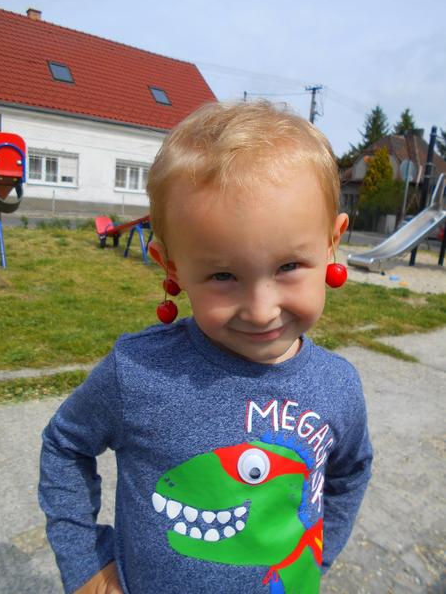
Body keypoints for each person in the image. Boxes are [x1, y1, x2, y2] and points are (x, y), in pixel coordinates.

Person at [39, 100, 373, 594]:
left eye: (288, 267)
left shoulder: (339, 385)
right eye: (222, 275)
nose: (261, 310)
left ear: (331, 244)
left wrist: (316, 555)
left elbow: (349, 472)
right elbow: (65, 445)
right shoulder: (138, 371)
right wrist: (86, 559)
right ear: (171, 267)